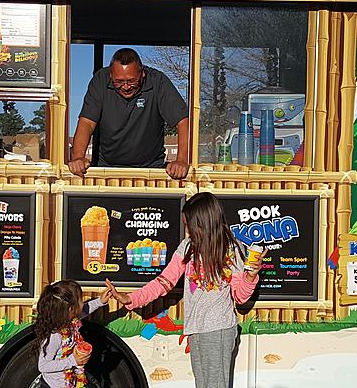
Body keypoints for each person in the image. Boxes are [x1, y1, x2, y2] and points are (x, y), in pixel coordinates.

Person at [105, 192, 264, 388]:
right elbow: (164, 281)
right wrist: (131, 299)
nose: (187, 229)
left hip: (219, 330)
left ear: (203, 222)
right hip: (195, 329)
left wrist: (250, 276)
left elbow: (240, 297)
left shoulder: (231, 249)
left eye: (189, 224)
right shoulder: (188, 247)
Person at [69, 48, 190, 179]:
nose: (126, 87)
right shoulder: (100, 81)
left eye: (131, 81)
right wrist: (78, 157)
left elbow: (183, 121)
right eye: (119, 82)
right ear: (111, 75)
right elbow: (87, 122)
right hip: (106, 168)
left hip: (150, 169)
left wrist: (182, 160)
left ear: (142, 73)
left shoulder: (158, 82)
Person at [31, 280, 111, 388]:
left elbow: (85, 310)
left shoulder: (70, 322)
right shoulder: (55, 336)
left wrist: (100, 301)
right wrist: (72, 360)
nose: (83, 303)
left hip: (70, 381)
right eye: (80, 300)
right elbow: (43, 366)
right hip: (55, 385)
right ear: (70, 309)